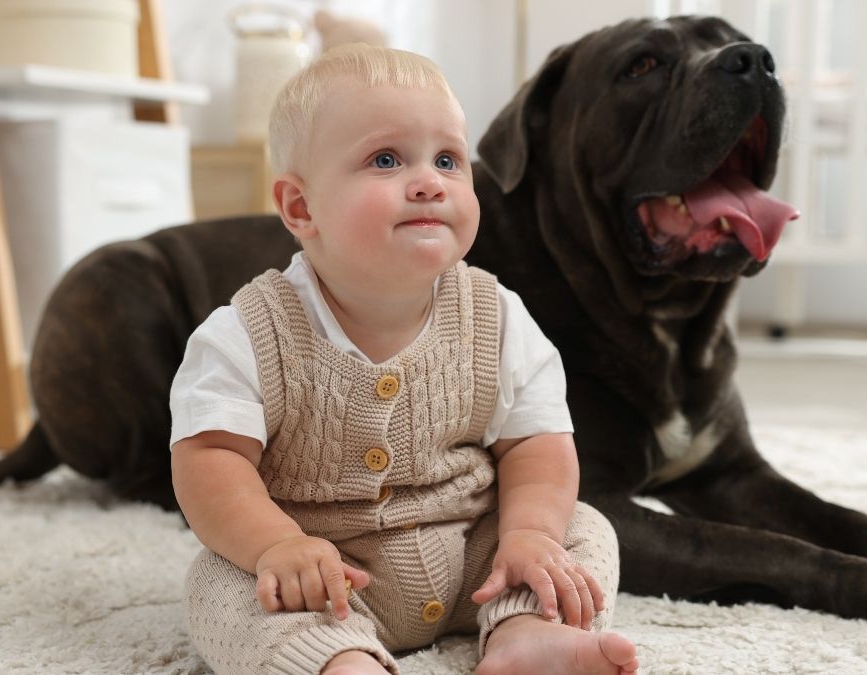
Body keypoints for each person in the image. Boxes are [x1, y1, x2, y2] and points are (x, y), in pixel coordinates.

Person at [169, 43, 640, 675]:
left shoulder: (497, 318)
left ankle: (525, 633)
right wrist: (275, 544)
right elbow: (209, 459)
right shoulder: (246, 334)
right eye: (386, 160)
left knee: (581, 529)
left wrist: (529, 534)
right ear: (301, 207)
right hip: (326, 576)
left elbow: (538, 444)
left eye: (448, 160)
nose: (429, 182)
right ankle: (338, 661)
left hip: (477, 556)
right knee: (221, 582)